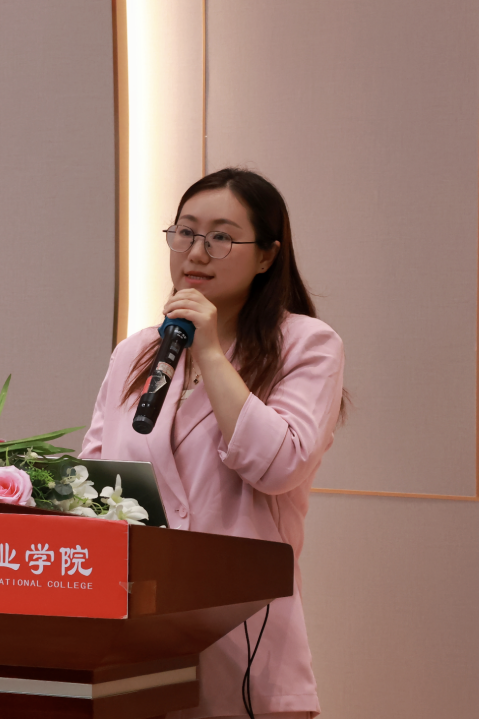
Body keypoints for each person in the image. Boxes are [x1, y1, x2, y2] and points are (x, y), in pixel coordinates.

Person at [81, 168, 344, 719]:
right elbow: (92, 485)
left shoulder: (306, 344)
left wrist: (209, 351)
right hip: (137, 649)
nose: (196, 252)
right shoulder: (135, 353)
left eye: (221, 237)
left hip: (245, 646)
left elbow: (279, 465)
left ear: (267, 256)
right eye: (185, 232)